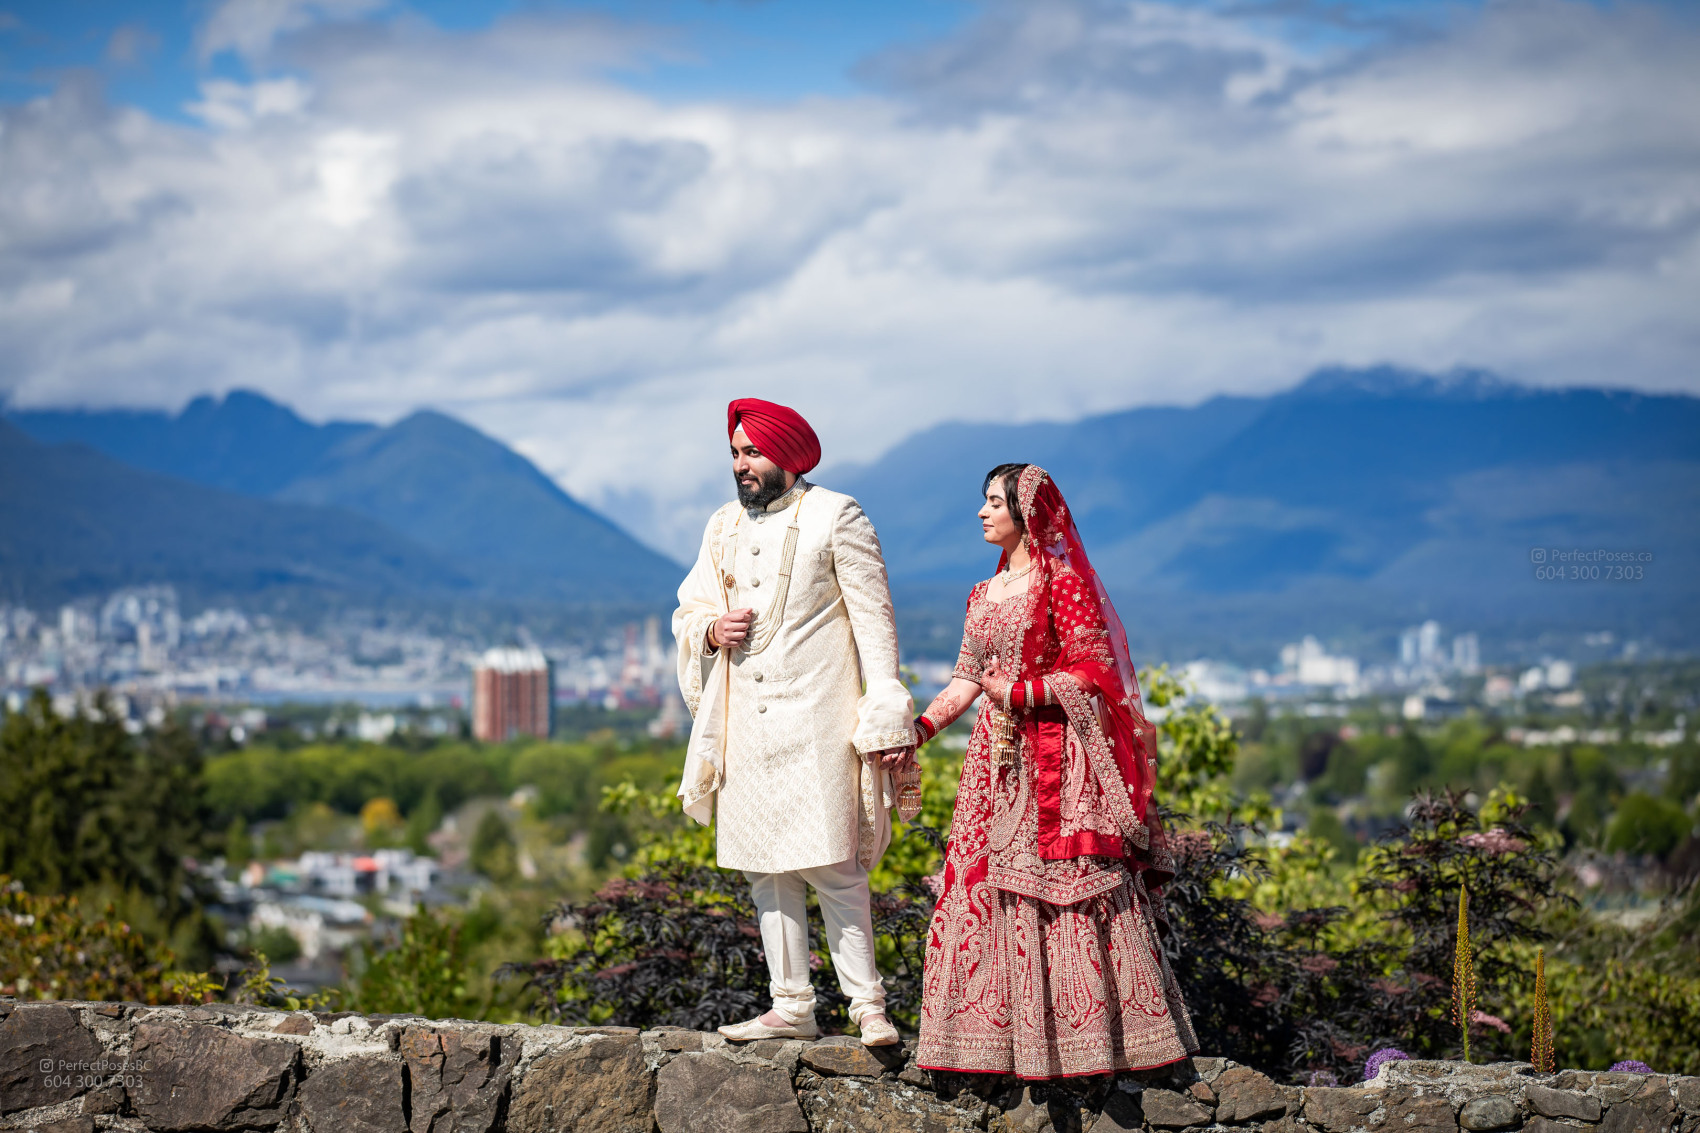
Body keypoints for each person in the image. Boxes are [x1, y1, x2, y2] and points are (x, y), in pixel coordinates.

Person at [911, 463, 1198, 1079]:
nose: (983, 513)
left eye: (995, 502)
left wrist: (1022, 693)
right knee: (981, 883)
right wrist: (921, 730)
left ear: (1026, 512)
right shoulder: (982, 594)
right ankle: (986, 1042)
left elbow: (1096, 672)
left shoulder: (1060, 582)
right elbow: (967, 677)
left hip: (1054, 761)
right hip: (992, 761)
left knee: (1068, 887)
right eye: (983, 501)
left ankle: (1093, 1041)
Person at [673, 397, 916, 1047]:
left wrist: (886, 705)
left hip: (818, 722)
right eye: (735, 453)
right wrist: (708, 628)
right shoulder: (722, 525)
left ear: (788, 454)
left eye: (752, 452)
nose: (741, 465)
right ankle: (792, 1005)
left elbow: (874, 622)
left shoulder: (837, 514)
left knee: (833, 864)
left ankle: (868, 1006)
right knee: (765, 869)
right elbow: (689, 605)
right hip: (745, 726)